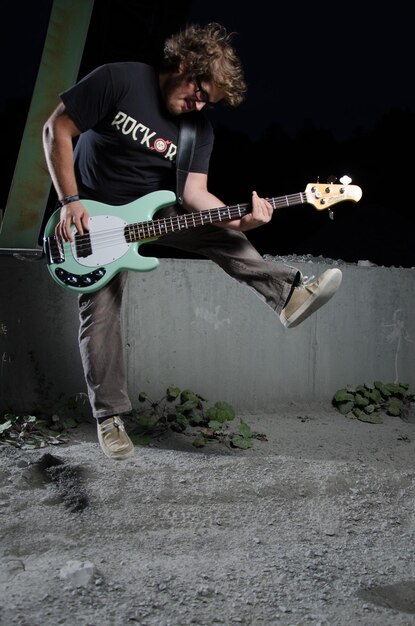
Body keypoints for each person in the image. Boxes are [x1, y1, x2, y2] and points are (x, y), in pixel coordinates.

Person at [42, 22, 342, 460]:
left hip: (150, 214)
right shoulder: (118, 79)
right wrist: (70, 201)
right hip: (88, 214)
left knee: (219, 227)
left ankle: (289, 294)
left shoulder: (196, 131)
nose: (200, 103)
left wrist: (241, 224)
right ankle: (109, 419)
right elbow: (56, 131)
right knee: (100, 312)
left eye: (210, 102)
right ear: (183, 64)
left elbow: (194, 195)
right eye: (201, 89)